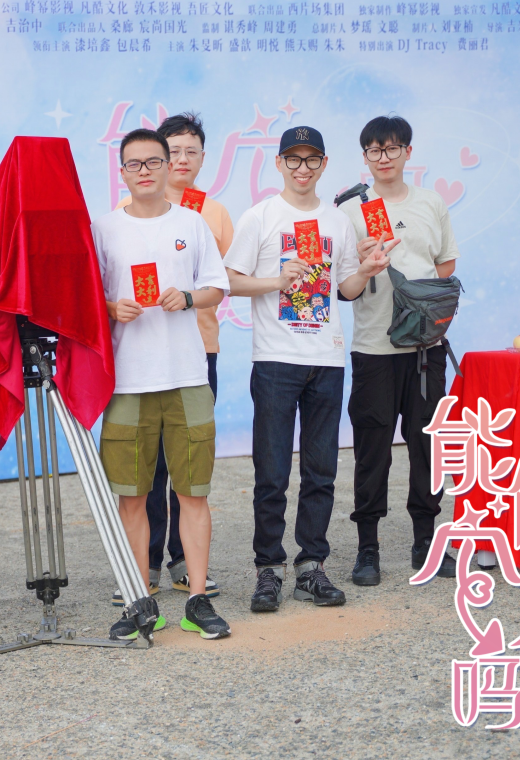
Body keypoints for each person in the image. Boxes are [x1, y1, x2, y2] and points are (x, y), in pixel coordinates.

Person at [224, 126, 394, 613]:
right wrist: (277, 280)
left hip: (326, 359)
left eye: (312, 159)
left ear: (324, 164)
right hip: (275, 360)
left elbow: (345, 289)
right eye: (294, 159)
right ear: (279, 163)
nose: (303, 168)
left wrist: (366, 271)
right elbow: (229, 280)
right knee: (272, 472)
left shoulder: (337, 221)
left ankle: (311, 566)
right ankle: (269, 569)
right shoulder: (260, 216)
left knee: (321, 471)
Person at [95, 128, 231, 641]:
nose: (146, 171)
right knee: (132, 496)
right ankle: (139, 600)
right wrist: (111, 308)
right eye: (135, 163)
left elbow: (217, 286)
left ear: (168, 165)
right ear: (122, 172)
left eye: (155, 161)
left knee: (193, 492)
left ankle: (197, 600)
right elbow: (86, 297)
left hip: (187, 376)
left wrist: (188, 297)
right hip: (127, 381)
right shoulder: (103, 228)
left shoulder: (191, 222)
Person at [337, 115, 460, 585]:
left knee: (427, 445)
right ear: (364, 157)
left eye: (392, 149)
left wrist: (420, 304)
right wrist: (365, 265)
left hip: (426, 349)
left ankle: (426, 543)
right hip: (374, 347)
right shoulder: (350, 210)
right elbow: (344, 287)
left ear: (408, 151)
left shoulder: (431, 203)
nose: (383, 158)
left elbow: (445, 264)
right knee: (373, 449)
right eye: (374, 150)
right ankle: (367, 549)